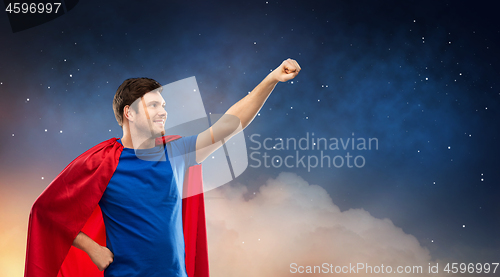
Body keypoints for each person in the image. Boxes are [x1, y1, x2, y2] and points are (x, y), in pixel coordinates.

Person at [24, 58, 301, 277]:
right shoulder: (101, 162)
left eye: (163, 104)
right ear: (128, 113)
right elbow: (46, 211)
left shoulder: (176, 151)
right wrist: (92, 248)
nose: (163, 111)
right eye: (153, 104)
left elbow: (230, 124)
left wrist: (271, 79)